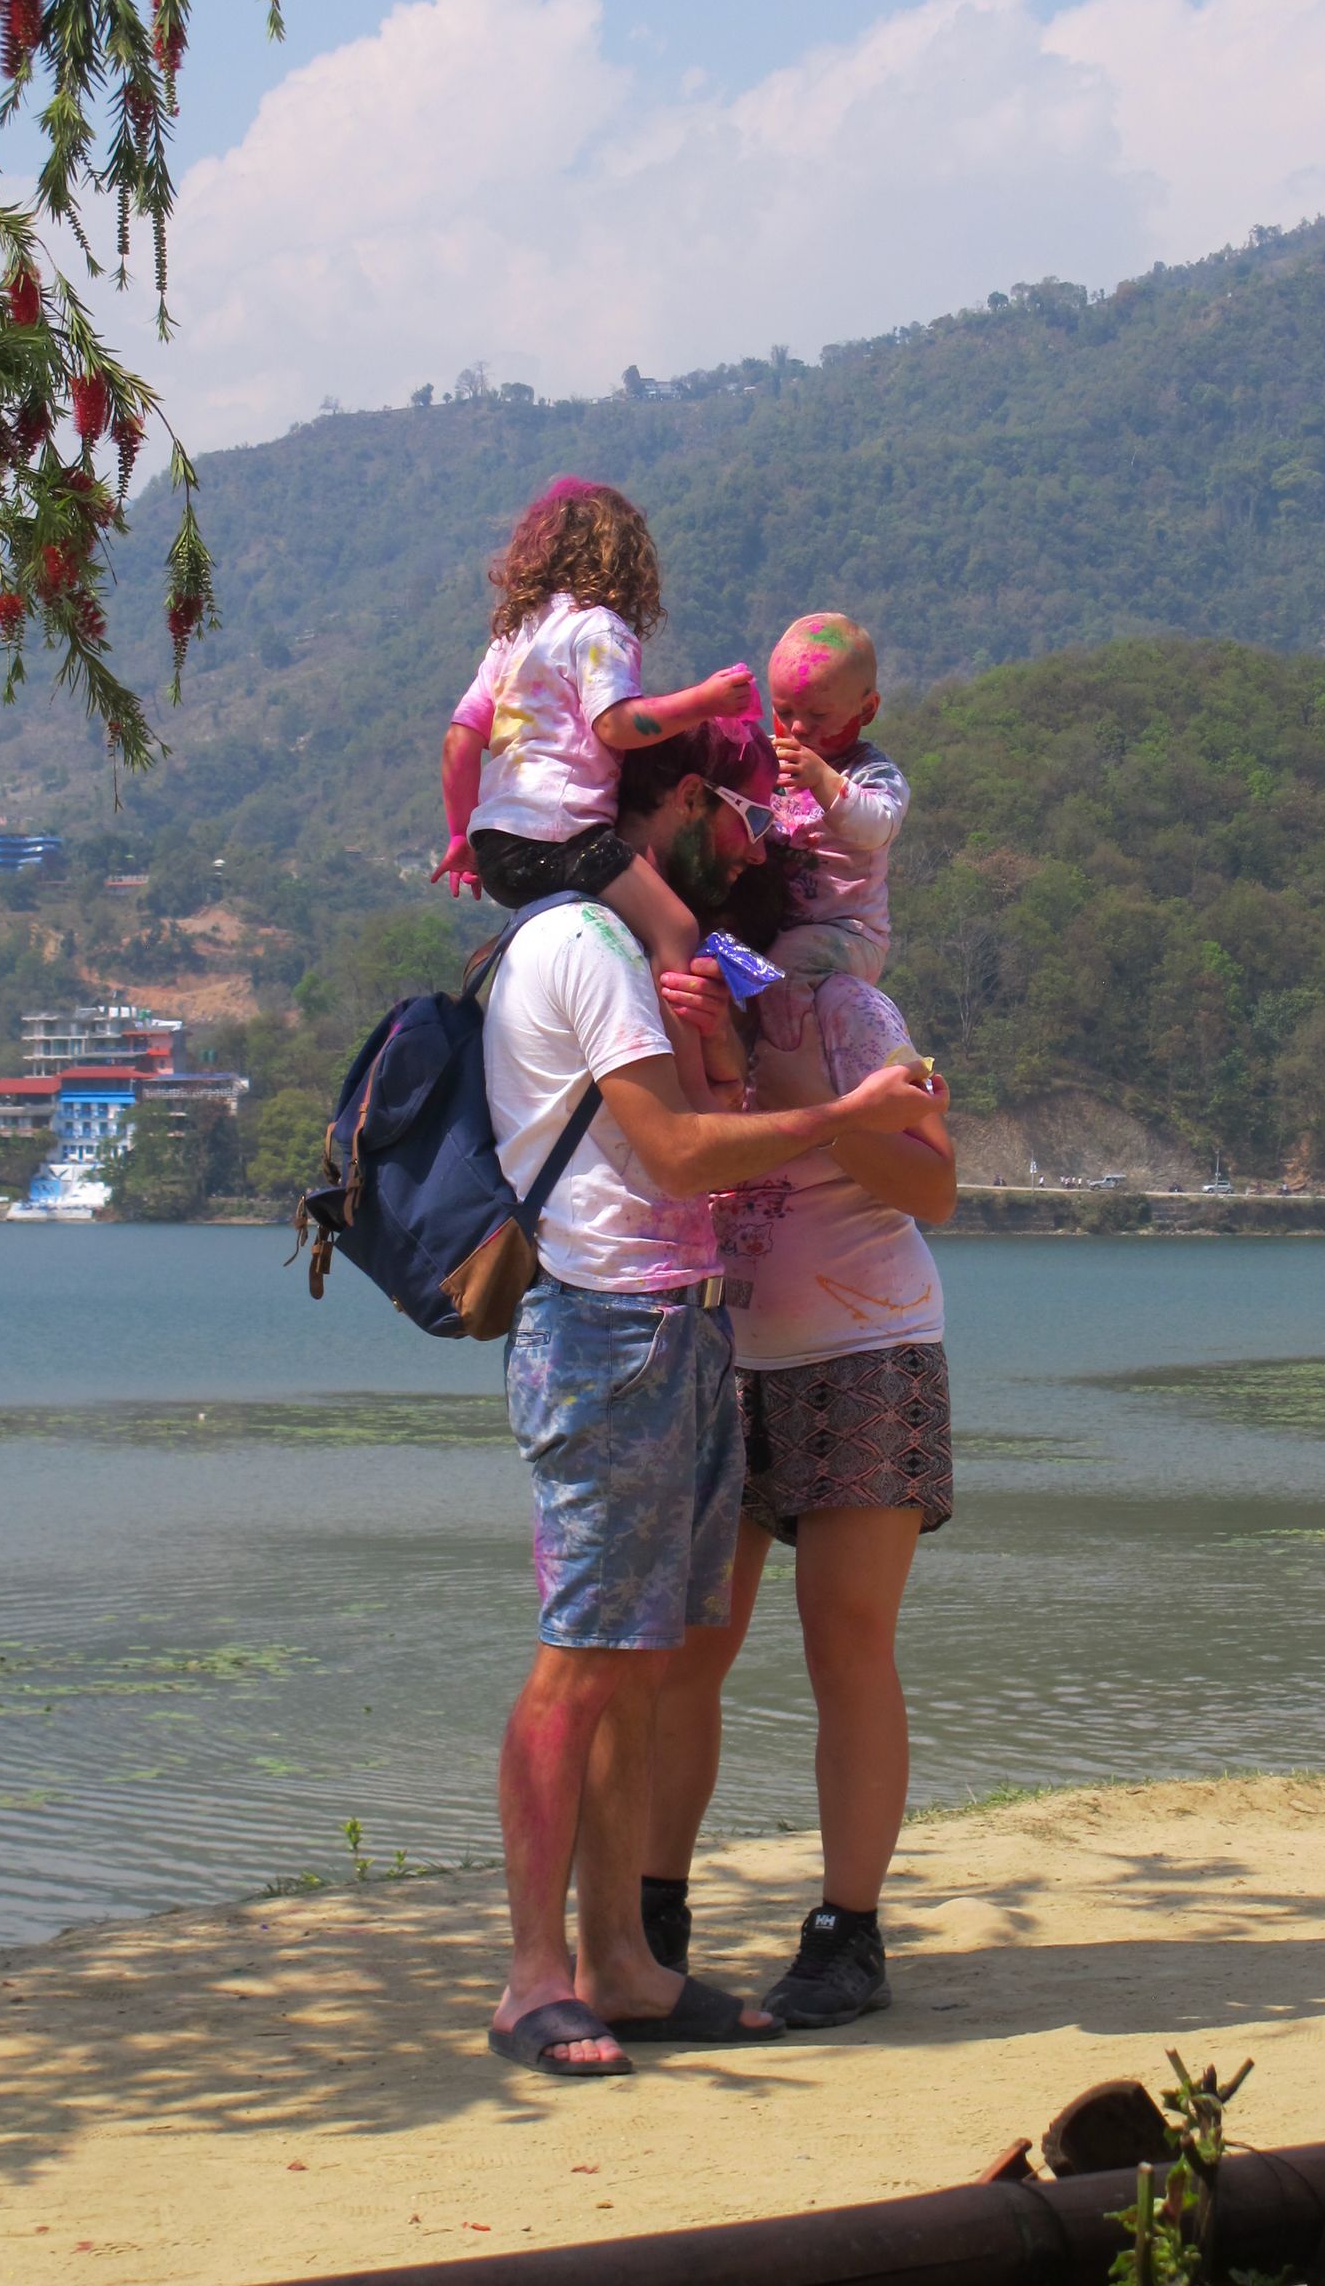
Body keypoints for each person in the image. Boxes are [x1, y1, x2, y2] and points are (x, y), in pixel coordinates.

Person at [481, 718, 939, 2077]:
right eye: (729, 810)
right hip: (615, 1333)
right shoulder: (589, 947)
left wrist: (757, 1069)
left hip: (692, 1334)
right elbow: (680, 1156)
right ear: (677, 808)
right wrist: (833, 1112)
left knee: (642, 1662)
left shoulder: (664, 964)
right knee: (589, 1659)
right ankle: (535, 1976)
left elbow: (702, 1139)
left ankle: (624, 1959)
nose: (743, 836)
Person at [646, 968, 956, 2028]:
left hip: (867, 1345)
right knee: (688, 1650)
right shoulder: (657, 999)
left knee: (848, 1641)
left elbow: (934, 1188)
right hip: (717, 1350)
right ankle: (652, 1918)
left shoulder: (848, 1011)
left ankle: (847, 1932)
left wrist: (794, 1091)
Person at [433, 478, 764, 1102]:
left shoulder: (511, 642)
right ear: (627, 561)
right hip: (562, 836)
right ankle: (690, 1098)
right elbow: (616, 723)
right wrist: (704, 701)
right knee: (675, 929)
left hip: (501, 849)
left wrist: (459, 835)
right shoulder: (599, 629)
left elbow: (458, 742)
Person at [762, 613, 910, 1047]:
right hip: (781, 922)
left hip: (848, 934)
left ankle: (784, 1066)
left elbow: (876, 827)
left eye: (818, 714)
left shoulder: (874, 772)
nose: (798, 728)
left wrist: (825, 781)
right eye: (783, 712)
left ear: (867, 710)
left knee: (783, 970)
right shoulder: (771, 766)